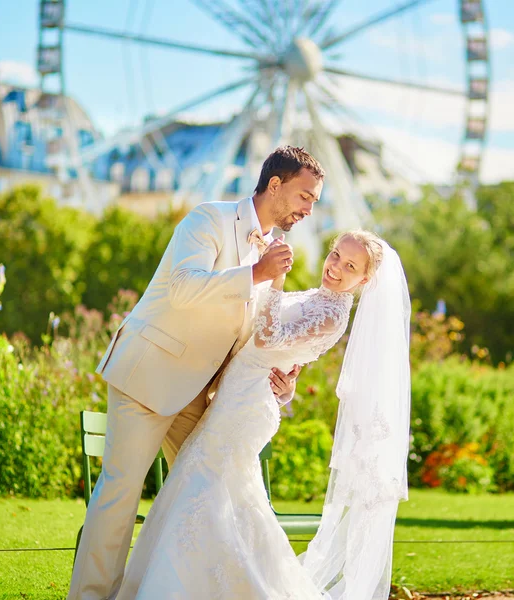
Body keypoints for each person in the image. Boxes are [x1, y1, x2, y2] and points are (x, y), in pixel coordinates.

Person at [67, 146, 325, 600]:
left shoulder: (274, 252)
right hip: (149, 374)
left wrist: (282, 381)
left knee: (210, 494)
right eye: (305, 196)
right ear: (275, 185)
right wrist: (258, 274)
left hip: (199, 394)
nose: (309, 209)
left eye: (314, 201)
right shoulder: (208, 219)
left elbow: (249, 338)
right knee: (119, 497)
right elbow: (183, 287)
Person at [115, 230, 412, 600]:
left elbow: (270, 338)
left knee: (207, 486)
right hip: (234, 397)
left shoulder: (333, 316)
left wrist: (276, 277)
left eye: (349, 266)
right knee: (222, 491)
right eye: (335, 255)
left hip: (247, 407)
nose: (335, 267)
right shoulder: (317, 297)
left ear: (364, 280)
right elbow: (272, 339)